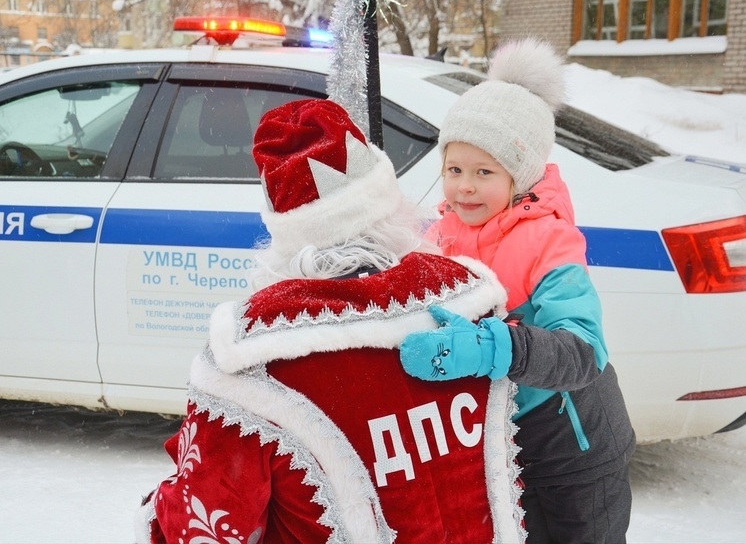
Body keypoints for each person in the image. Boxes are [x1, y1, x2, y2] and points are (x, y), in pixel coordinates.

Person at [134, 98, 528, 543]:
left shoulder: (251, 360)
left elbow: (206, 522)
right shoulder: (469, 301)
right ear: (387, 201)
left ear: (284, 228)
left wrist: (152, 516)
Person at [398, 38, 636, 544]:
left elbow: (583, 351)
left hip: (575, 455)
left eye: (484, 173)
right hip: (505, 450)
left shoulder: (547, 239)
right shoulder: (440, 235)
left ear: (520, 176)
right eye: (454, 169)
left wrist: (494, 346)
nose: (464, 186)